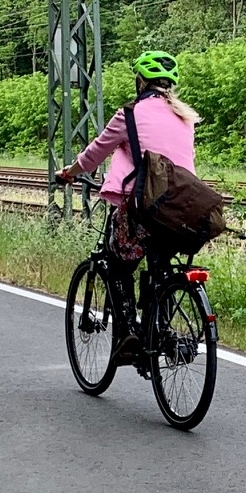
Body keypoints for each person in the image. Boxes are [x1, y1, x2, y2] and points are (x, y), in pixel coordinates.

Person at [55, 51, 201, 353]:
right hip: (183, 211)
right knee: (160, 267)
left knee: (117, 262)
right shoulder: (186, 118)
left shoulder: (130, 114)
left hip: (144, 210)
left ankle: (130, 335)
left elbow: (96, 152)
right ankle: (160, 330)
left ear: (140, 81)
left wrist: (70, 173)